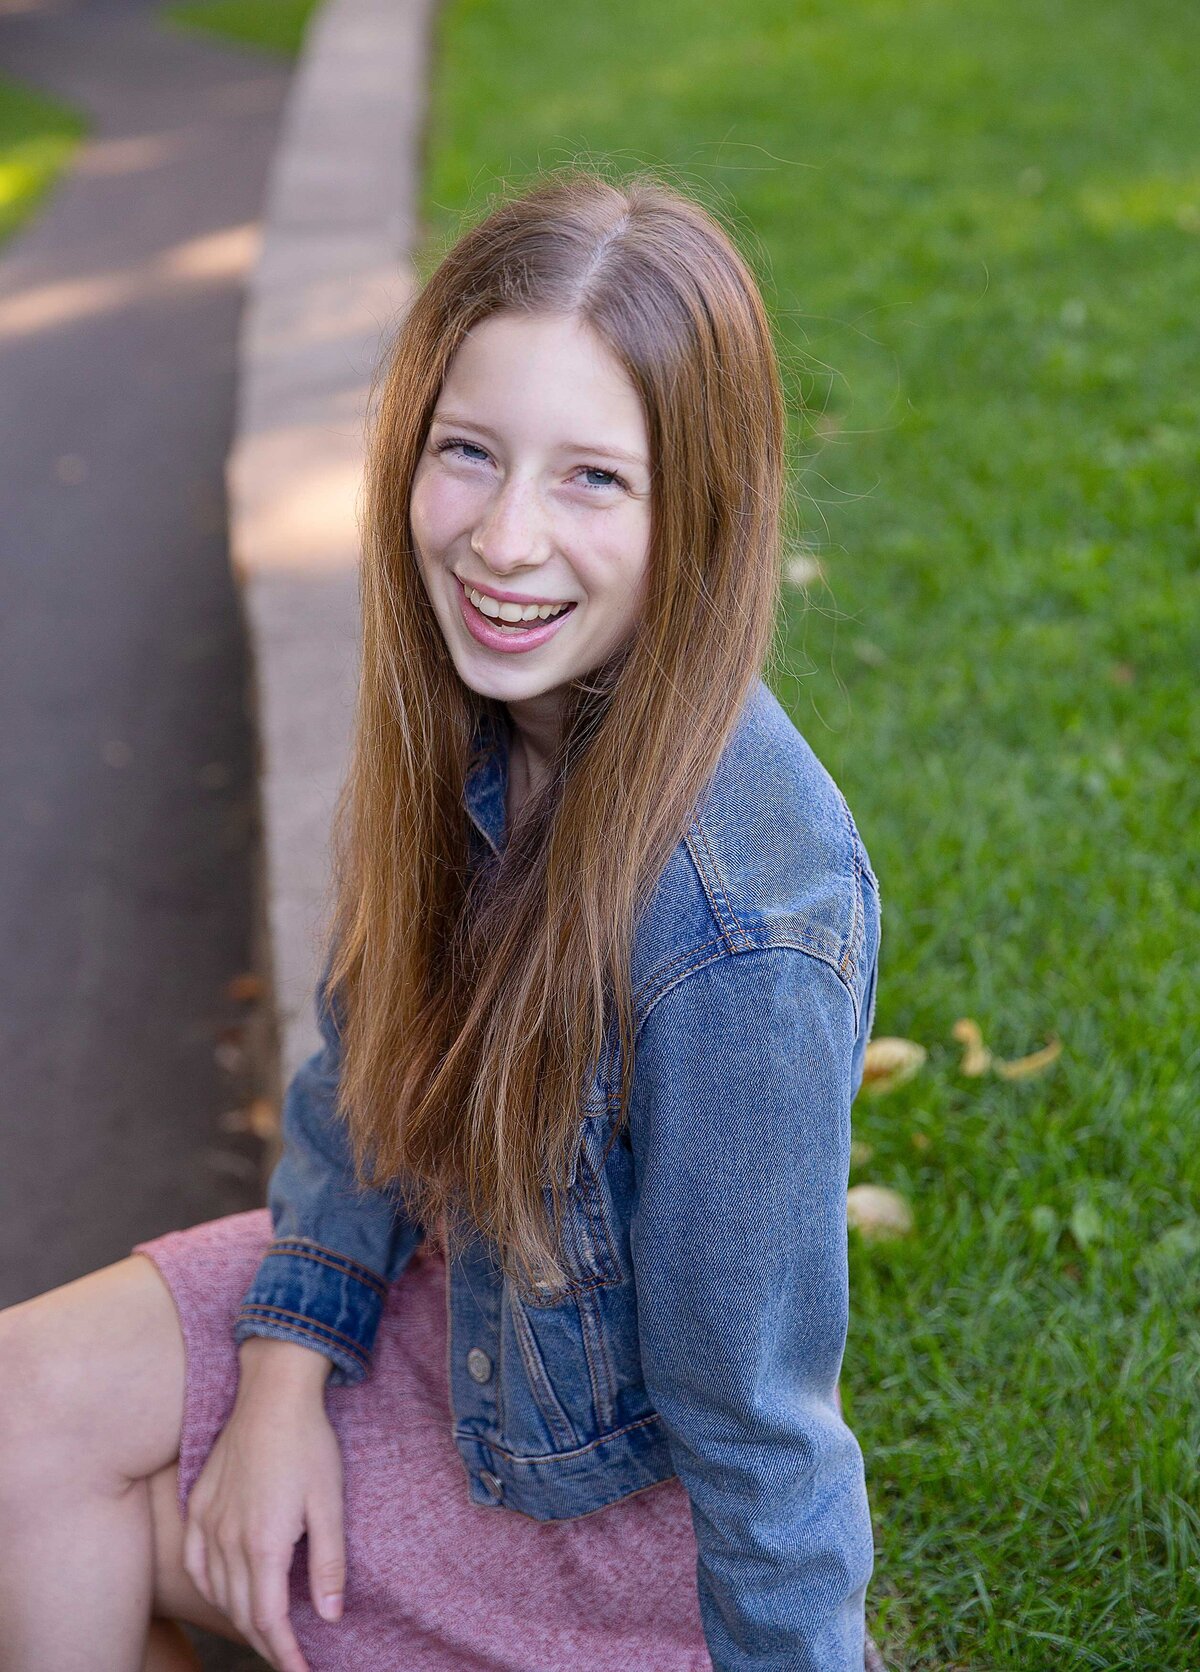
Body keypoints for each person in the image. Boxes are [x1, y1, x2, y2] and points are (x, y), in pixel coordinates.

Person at [0, 167, 883, 1672]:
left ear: (705, 512)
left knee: (118, 1533)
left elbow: (756, 1426)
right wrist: (285, 1375)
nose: (503, 542)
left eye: (593, 478)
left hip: (597, 1512)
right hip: (453, 1296)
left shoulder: (743, 929)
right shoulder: (484, 693)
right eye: (470, 453)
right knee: (21, 1421)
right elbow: (366, 1060)